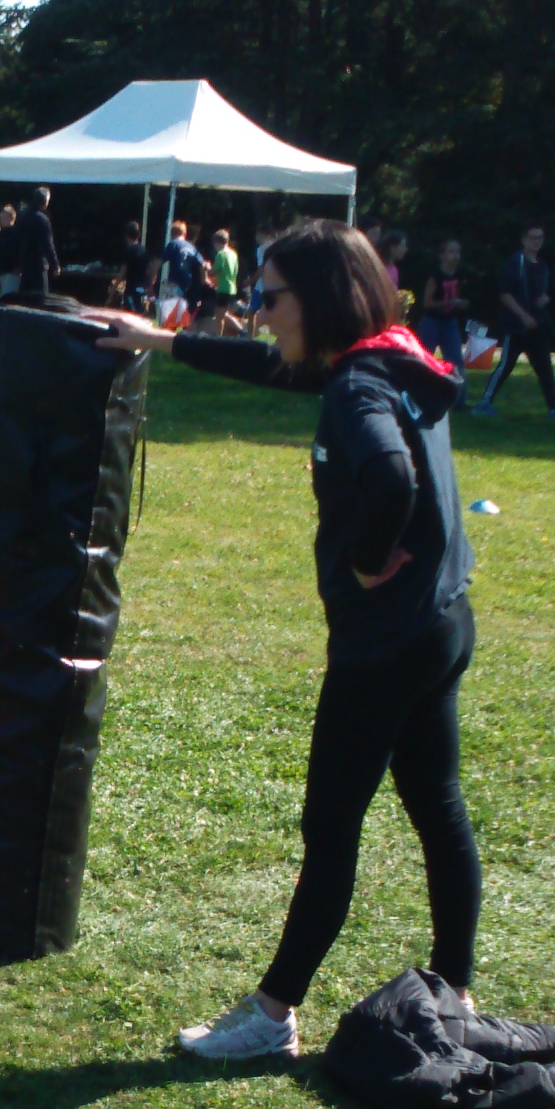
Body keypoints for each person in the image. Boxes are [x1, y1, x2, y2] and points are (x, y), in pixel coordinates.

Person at [93, 219, 482, 1061]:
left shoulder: (357, 388)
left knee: (330, 827)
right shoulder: (391, 358)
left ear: (320, 298)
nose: (260, 314)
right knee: (436, 804)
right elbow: (277, 367)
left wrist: (368, 559)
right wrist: (159, 339)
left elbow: (389, 475)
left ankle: (272, 1016)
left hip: (386, 645)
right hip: (443, 623)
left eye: (270, 299)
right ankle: (456, 992)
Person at [475, 224, 555, 420]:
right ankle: (484, 403)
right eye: (533, 237)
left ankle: (554, 408)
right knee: (506, 365)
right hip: (517, 326)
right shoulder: (517, 263)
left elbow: (538, 293)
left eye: (540, 238)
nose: (536, 241)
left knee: (544, 367)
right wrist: (523, 316)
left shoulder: (542, 266)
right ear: (524, 239)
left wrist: (543, 300)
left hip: (536, 325)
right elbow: (506, 294)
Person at [418, 237, 467, 372]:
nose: (455, 256)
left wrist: (461, 304)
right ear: (442, 256)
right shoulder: (436, 276)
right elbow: (427, 304)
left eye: (458, 252)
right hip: (431, 322)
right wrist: (448, 303)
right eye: (451, 252)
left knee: (455, 360)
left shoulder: (458, 275)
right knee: (424, 359)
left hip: (450, 321)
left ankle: (457, 385)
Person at [15, 186, 60, 301]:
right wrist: (55, 264)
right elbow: (48, 244)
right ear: (45, 201)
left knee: (24, 299)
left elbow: (16, 240)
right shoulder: (43, 219)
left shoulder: (22, 217)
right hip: (39, 264)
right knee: (41, 299)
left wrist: (17, 262)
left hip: (24, 264)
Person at [160, 218, 204, 319]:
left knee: (169, 317)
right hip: (188, 287)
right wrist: (202, 283)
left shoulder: (173, 244)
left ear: (171, 233)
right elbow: (202, 266)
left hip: (174, 284)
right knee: (182, 316)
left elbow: (158, 263)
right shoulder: (192, 247)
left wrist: (151, 280)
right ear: (184, 233)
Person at [120, 221, 151, 312]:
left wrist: (114, 289)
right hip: (142, 288)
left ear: (126, 236)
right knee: (140, 313)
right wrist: (150, 285)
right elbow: (150, 269)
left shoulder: (129, 251)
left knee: (130, 314)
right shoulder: (144, 251)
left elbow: (123, 272)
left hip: (131, 289)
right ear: (139, 235)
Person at [0, 202, 21, 296]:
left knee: (9, 296)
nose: (1, 219)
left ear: (11, 218)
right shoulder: (2, 234)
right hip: (2, 270)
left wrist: (18, 266)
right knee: (2, 295)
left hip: (12, 270)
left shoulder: (16, 233)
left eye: (4, 217)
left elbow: (18, 251)